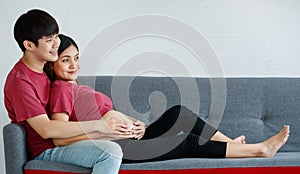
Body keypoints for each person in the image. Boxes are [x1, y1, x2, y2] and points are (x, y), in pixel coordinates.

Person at [44, 33, 290, 163]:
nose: (73, 65)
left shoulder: (78, 88)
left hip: (131, 138)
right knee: (186, 142)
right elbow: (61, 136)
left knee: (178, 113)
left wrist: (134, 122)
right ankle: (259, 151)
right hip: (119, 148)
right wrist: (105, 133)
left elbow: (106, 115)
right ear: (52, 65)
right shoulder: (61, 90)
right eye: (65, 60)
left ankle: (236, 145)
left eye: (76, 57)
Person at [4, 9, 135, 174]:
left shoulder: (46, 67)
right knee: (109, 152)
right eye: (49, 40)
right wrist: (101, 126)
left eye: (56, 36)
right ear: (29, 45)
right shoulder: (20, 82)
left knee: (127, 140)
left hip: (68, 141)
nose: (56, 44)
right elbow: (46, 129)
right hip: (47, 151)